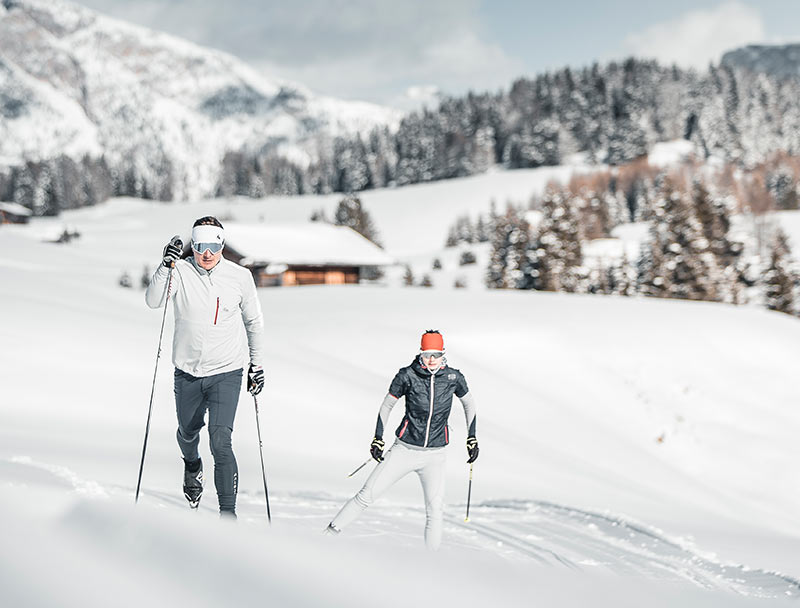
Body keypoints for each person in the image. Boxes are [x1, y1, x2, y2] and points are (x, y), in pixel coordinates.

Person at [145, 216, 264, 518]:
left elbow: (254, 322)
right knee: (187, 432)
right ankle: (192, 465)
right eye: (200, 246)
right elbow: (154, 301)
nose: (207, 253)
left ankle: (228, 516)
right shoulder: (180, 271)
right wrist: (165, 266)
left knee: (221, 440)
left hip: (227, 371)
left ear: (222, 244)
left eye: (213, 245)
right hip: (187, 372)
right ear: (193, 246)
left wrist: (256, 364)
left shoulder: (239, 277)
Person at [325, 330, 479, 549]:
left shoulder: (453, 377)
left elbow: (469, 403)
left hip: (435, 455)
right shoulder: (407, 375)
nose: (431, 359)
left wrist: (471, 438)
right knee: (366, 495)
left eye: (436, 354)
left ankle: (431, 564)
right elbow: (387, 405)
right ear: (420, 354)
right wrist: (378, 438)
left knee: (435, 510)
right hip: (405, 449)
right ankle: (326, 536)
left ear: (443, 354)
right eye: (427, 354)